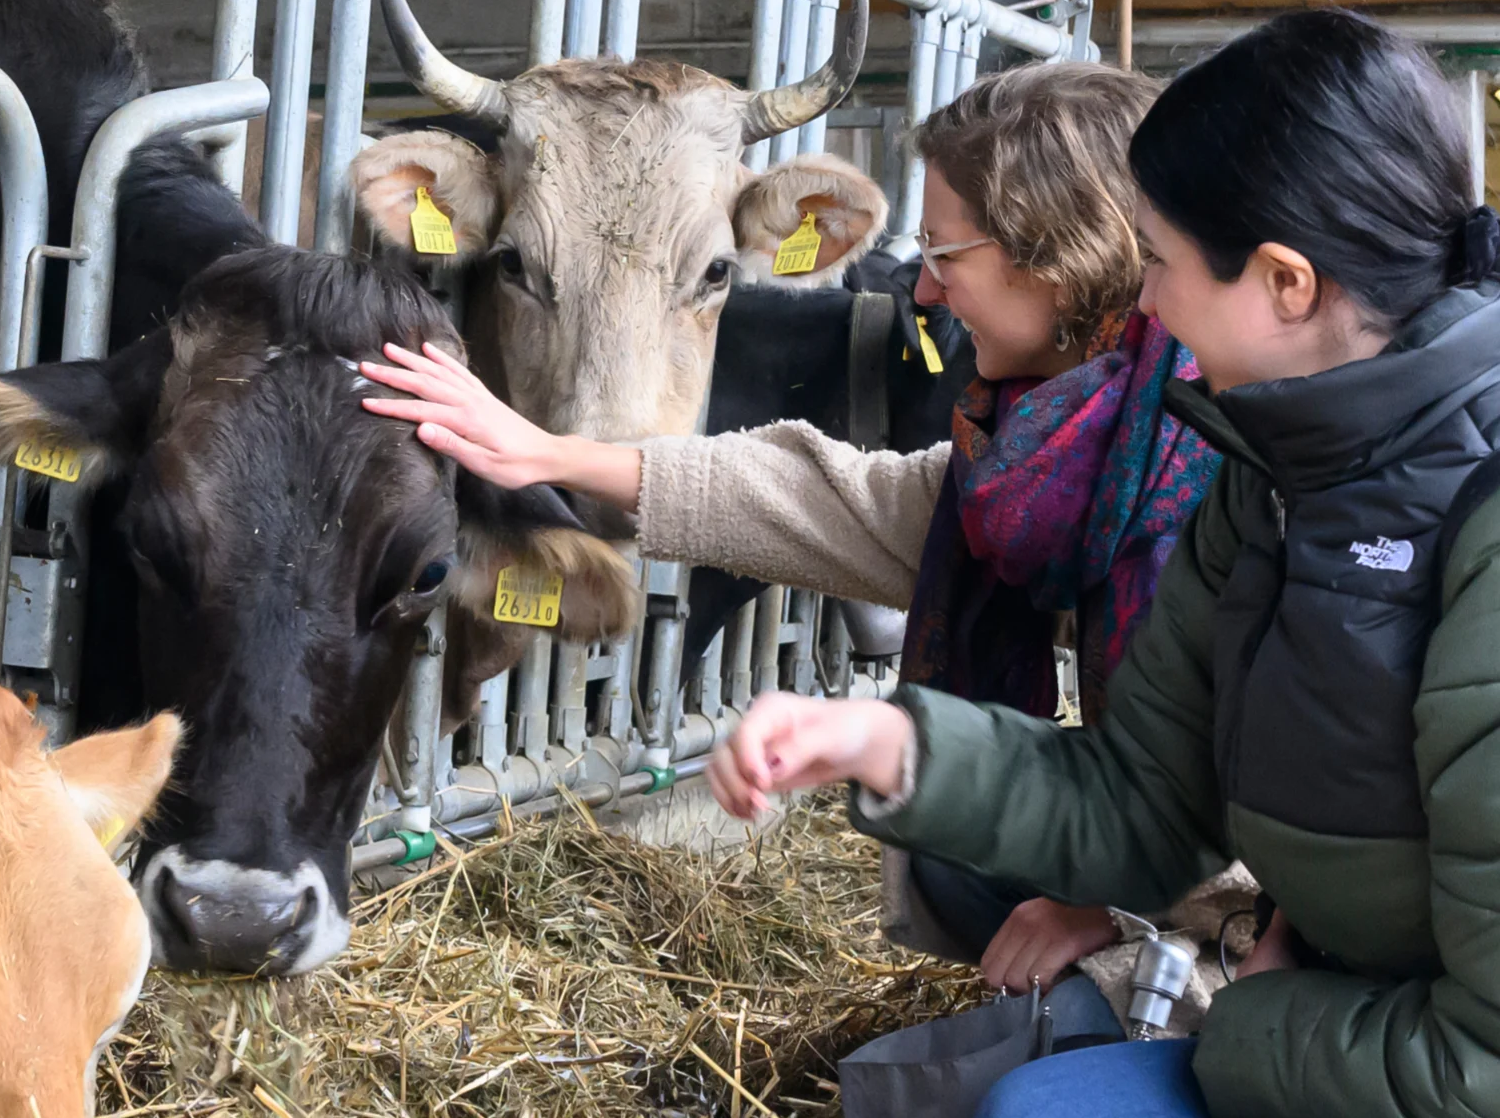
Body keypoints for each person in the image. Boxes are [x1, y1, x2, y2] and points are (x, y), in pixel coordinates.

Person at [705, 9, 1500, 1118]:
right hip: (1396, 1045)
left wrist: (1255, 1032)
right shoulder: (1269, 477)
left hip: (1467, 1089)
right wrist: (886, 741)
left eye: (1155, 262)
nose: (1134, 298)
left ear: (1283, 283)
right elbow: (1141, 805)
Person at [360, 63, 1219, 1009]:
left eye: (944, 255)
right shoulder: (1061, 452)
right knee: (953, 869)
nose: (921, 291)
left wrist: (1122, 911)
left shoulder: (1223, 482)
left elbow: (1295, 807)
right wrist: (553, 453)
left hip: (1258, 940)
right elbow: (833, 502)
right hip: (1157, 856)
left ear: (1056, 259)